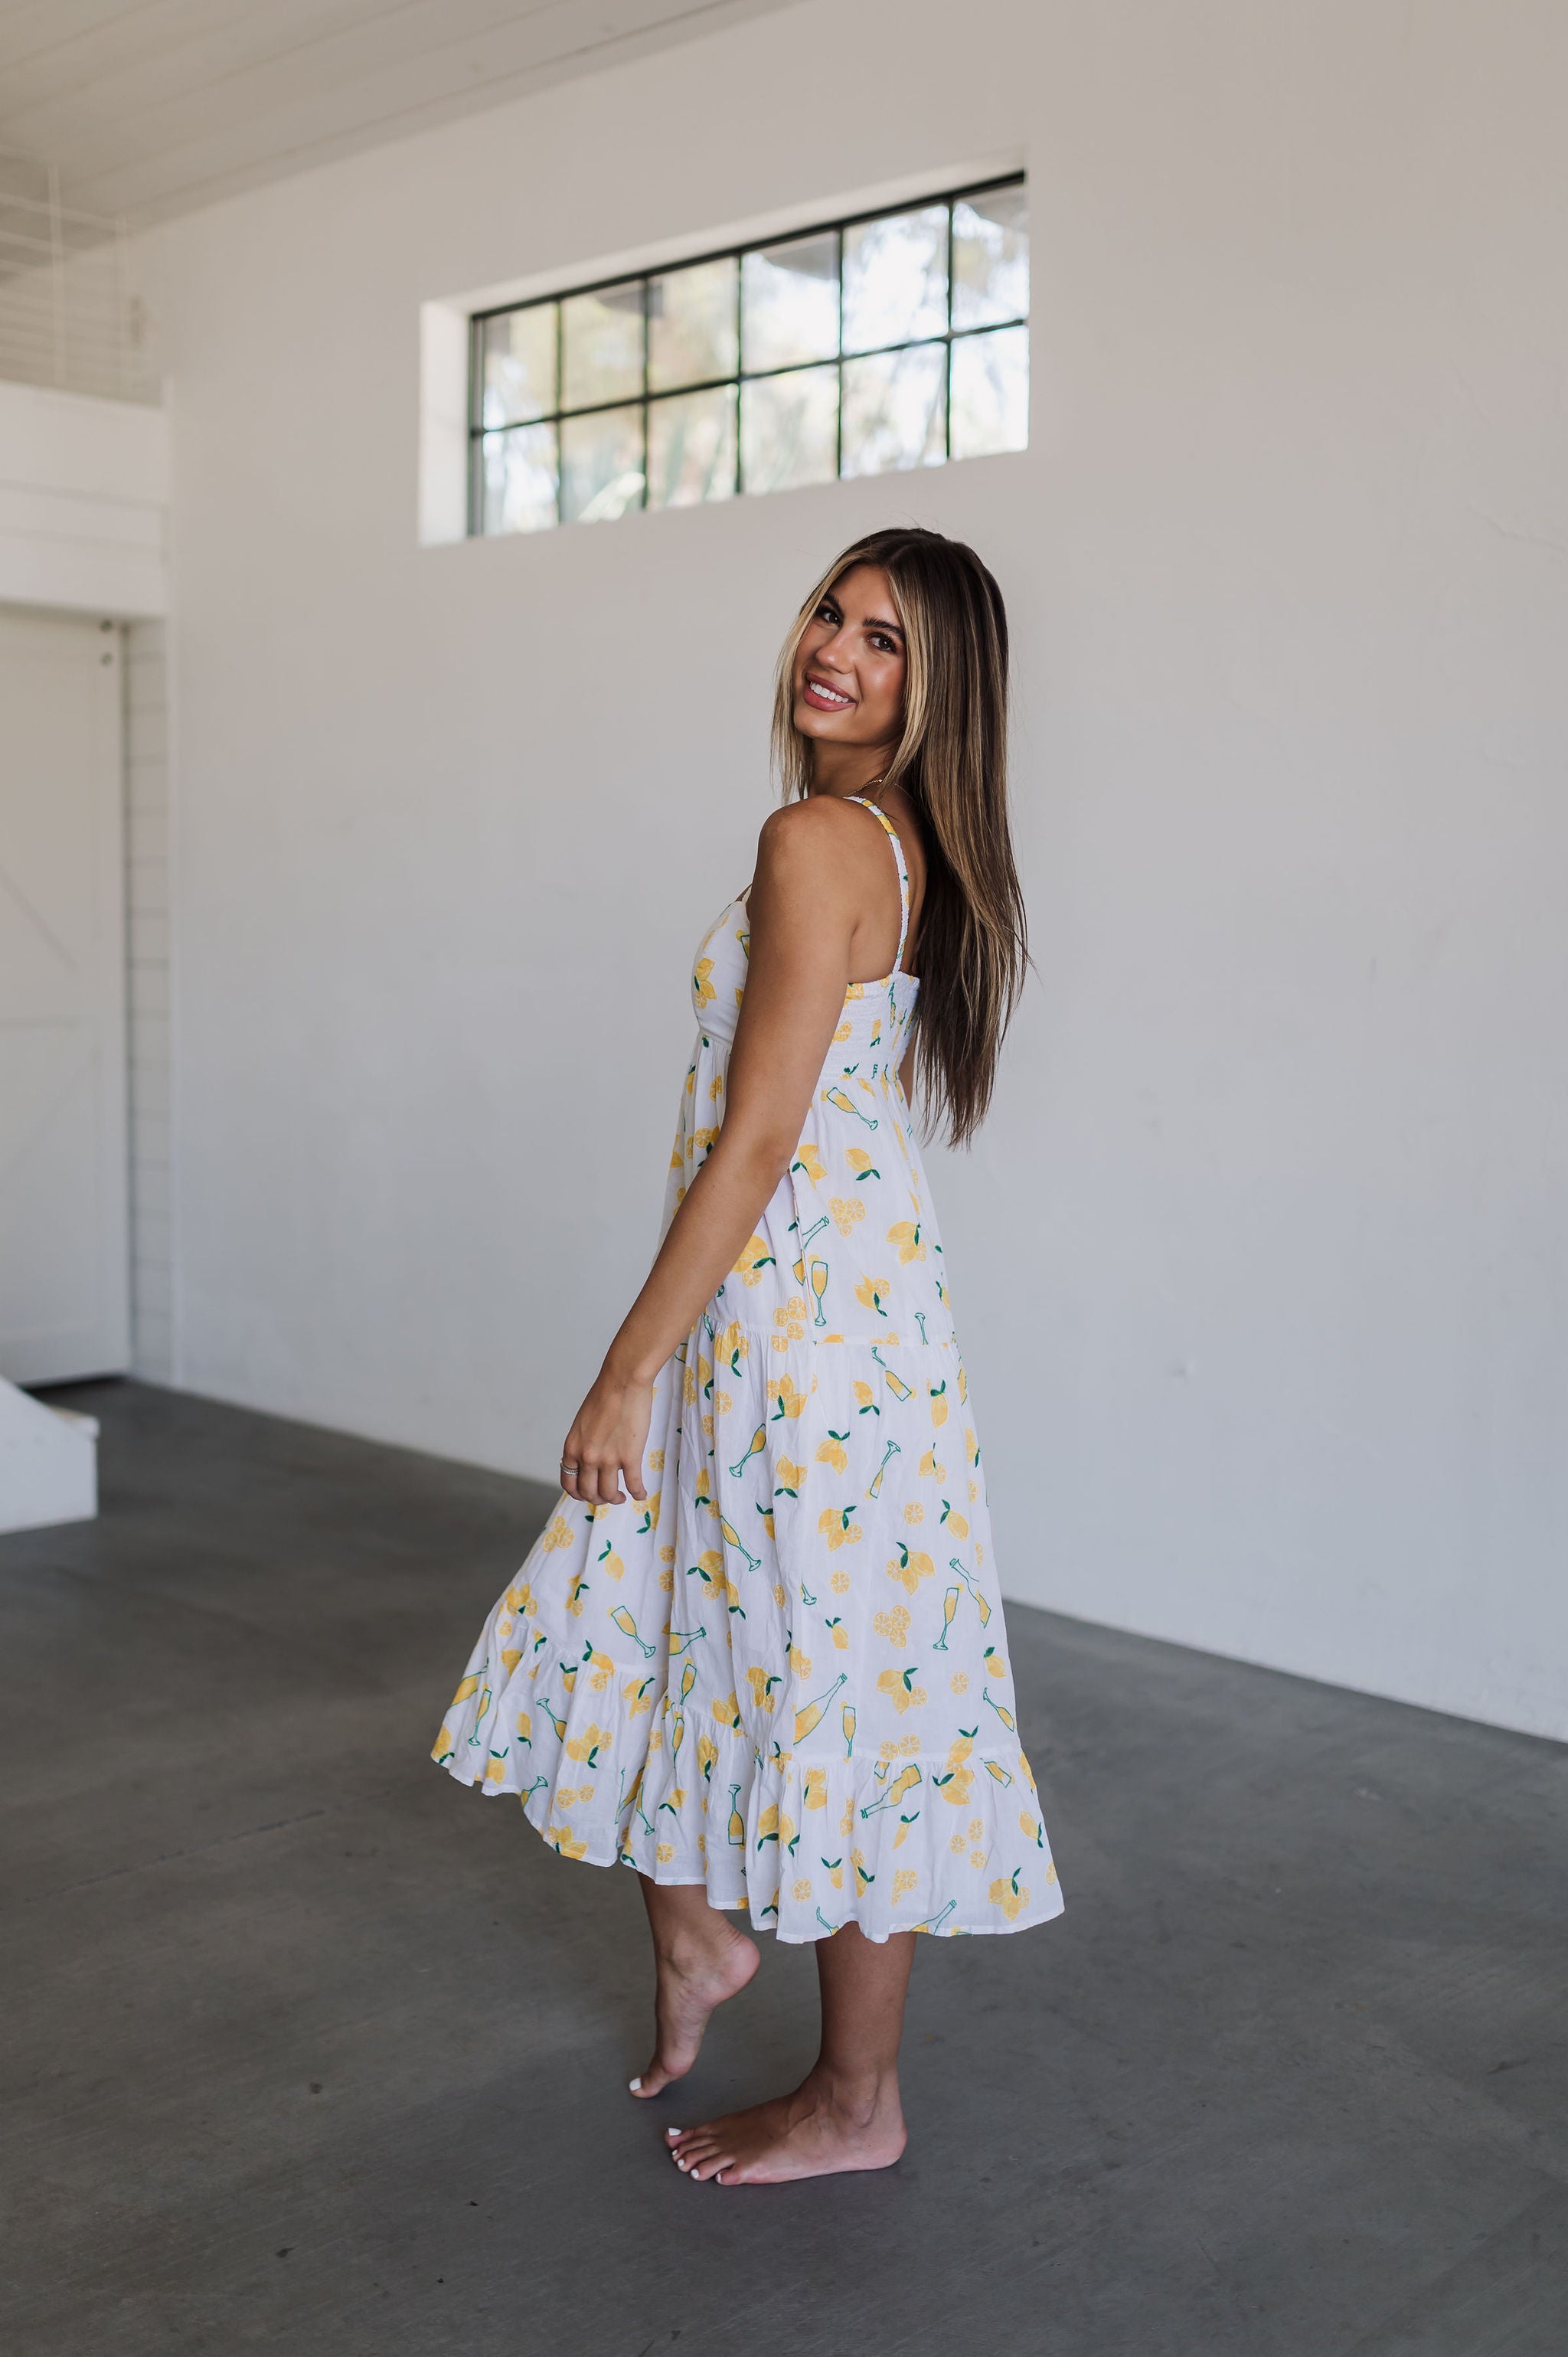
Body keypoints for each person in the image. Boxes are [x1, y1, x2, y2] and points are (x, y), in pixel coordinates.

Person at [433, 526, 1063, 2185]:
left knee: (690, 1609)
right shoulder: (915, 846)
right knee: (804, 1655)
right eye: (830, 614)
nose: (835, 650)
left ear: (943, 691)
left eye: (886, 640)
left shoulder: (817, 838)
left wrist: (626, 1366)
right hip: (864, 1329)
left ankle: (847, 2095)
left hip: (788, 1332)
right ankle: (718, 1952)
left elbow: (762, 1134)